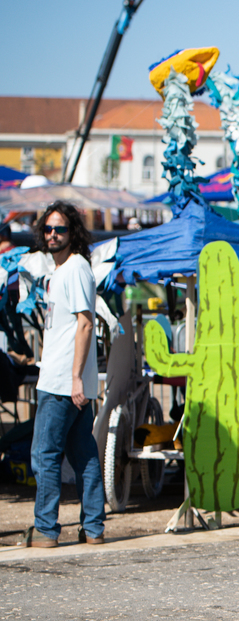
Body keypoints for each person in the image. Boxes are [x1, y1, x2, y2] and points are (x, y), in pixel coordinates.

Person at [26, 202, 105, 547]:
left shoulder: (74, 269)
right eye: (48, 229)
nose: (53, 235)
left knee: (45, 454)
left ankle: (45, 529)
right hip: (68, 378)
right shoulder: (62, 271)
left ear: (73, 232)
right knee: (83, 454)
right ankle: (94, 528)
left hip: (61, 379)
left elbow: (85, 324)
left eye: (60, 229)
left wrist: (74, 378)